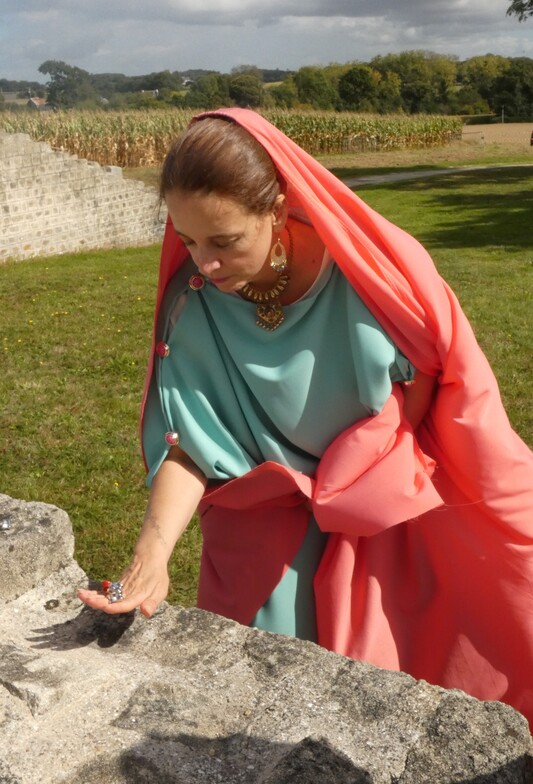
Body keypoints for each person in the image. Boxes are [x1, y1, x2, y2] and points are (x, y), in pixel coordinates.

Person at [78, 108, 533, 728]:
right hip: (267, 543)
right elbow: (190, 446)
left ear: (276, 208)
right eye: (186, 240)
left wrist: (355, 490)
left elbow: (429, 389)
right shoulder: (194, 305)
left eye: (224, 241)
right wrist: (152, 554)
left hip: (389, 523)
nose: (204, 265)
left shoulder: (376, 282)